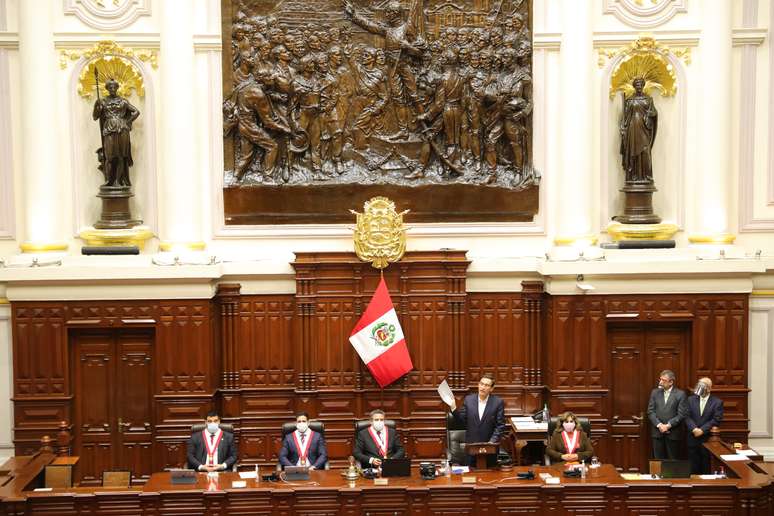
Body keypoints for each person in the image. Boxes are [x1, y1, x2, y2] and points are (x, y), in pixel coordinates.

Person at [448, 373, 506, 466]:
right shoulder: (469, 400)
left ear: (491, 389)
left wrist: (491, 442)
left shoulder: (498, 402)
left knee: (490, 473)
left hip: (490, 449)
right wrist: (454, 408)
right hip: (471, 448)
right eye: (481, 384)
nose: (483, 387)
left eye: (486, 385)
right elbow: (461, 421)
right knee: (471, 473)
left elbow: (500, 425)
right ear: (478, 385)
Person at [92, 78, 140, 187]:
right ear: (107, 89)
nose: (112, 89)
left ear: (117, 88)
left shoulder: (123, 101)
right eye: (110, 87)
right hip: (109, 129)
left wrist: (127, 122)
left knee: (121, 156)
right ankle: (109, 180)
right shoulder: (102, 101)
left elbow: (136, 112)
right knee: (109, 156)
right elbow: (95, 117)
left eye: (114, 87)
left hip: (122, 129)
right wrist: (97, 106)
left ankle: (118, 181)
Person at [619, 77, 657, 183]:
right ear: (634, 86)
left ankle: (646, 177)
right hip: (632, 128)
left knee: (645, 152)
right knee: (633, 151)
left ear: (643, 86)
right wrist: (623, 128)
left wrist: (651, 114)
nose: (639, 86)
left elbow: (654, 113)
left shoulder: (649, 100)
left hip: (644, 128)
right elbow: (625, 117)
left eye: (640, 84)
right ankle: (633, 176)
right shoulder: (630, 100)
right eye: (637, 85)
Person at [685, 377, 724, 474]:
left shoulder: (717, 402)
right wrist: (694, 429)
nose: (700, 387)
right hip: (692, 437)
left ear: (709, 388)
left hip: (706, 439)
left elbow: (716, 419)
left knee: (706, 467)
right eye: (699, 384)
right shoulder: (690, 400)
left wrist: (702, 430)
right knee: (693, 467)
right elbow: (686, 416)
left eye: (703, 385)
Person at [647, 369, 687, 460]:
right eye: (660, 379)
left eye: (663, 380)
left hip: (673, 433)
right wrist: (659, 425)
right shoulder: (655, 392)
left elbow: (681, 414)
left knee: (673, 461)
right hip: (657, 433)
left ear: (671, 382)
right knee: (658, 461)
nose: (660, 382)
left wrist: (668, 425)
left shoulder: (680, 394)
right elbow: (650, 411)